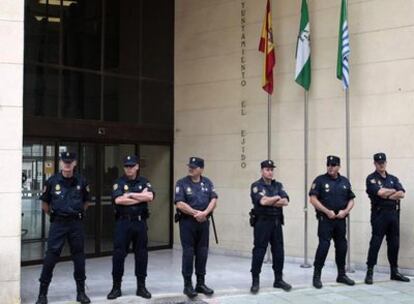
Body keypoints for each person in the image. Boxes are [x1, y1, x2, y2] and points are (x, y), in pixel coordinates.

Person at [36, 152, 91, 304]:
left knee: (79, 257)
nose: (67, 164)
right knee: (50, 258)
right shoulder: (52, 181)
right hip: (58, 224)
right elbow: (45, 204)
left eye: (70, 161)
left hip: (75, 224)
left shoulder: (82, 181)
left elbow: (87, 201)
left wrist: (78, 213)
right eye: (64, 161)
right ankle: (42, 295)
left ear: (75, 163)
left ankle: (81, 293)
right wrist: (55, 216)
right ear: (60, 163)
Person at [107, 155, 154, 300]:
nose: (129, 168)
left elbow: (150, 197)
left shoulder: (144, 181)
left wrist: (131, 194)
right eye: (127, 166)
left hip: (140, 223)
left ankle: (141, 287)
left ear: (137, 167)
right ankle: (116, 287)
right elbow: (119, 200)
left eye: (132, 166)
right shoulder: (118, 182)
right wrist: (140, 196)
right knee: (119, 255)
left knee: (141, 255)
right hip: (123, 223)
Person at [309, 155, 355, 289]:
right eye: (328, 165)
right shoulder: (320, 180)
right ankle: (316, 276)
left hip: (340, 220)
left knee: (342, 247)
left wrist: (345, 211)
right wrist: (326, 211)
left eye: (333, 165)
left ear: (339, 166)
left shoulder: (345, 181)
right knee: (323, 246)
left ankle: (341, 275)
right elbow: (313, 199)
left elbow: (351, 199)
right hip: (325, 220)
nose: (330, 167)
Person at [174, 157, 218, 298]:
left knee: (202, 253)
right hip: (188, 223)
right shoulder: (181, 183)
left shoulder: (207, 182)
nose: (190, 168)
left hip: (204, 222)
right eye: (190, 166)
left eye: (194, 166)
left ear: (201, 169)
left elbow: (214, 199)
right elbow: (179, 203)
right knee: (188, 253)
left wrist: (205, 213)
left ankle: (200, 283)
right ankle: (188, 285)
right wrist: (195, 213)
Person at [364, 152, 410, 284]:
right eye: (378, 162)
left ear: (386, 162)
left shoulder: (393, 178)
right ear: (374, 163)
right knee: (375, 243)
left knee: (394, 243)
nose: (381, 164)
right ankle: (370, 271)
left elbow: (401, 194)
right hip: (379, 215)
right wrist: (391, 192)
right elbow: (378, 192)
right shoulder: (371, 178)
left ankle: (394, 272)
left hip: (393, 215)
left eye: (383, 162)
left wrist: (386, 193)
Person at [249, 160, 292, 293]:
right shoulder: (256, 185)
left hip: (276, 222)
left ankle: (278, 280)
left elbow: (285, 202)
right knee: (259, 251)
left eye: (271, 169)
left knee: (279, 251)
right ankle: (255, 281)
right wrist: (276, 198)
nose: (270, 172)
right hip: (262, 222)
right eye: (267, 169)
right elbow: (262, 201)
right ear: (262, 171)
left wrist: (271, 200)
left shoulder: (278, 185)